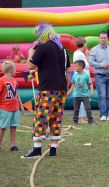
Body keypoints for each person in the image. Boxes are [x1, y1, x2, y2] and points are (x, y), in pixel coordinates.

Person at [22, 23, 70, 158]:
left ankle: (36, 149)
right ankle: (53, 149)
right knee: (56, 118)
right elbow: (68, 71)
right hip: (61, 90)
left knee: (41, 117)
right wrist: (65, 88)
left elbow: (30, 65)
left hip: (47, 89)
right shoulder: (63, 49)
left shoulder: (43, 47)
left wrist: (31, 52)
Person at [0, 61, 24, 153]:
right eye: (15, 69)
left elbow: (16, 94)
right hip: (5, 108)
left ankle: (13, 145)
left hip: (15, 108)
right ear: (11, 70)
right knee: (2, 127)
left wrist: (21, 105)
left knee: (13, 126)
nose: (16, 71)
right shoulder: (1, 80)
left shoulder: (14, 81)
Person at [90, 31, 109, 121]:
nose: (103, 39)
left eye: (105, 38)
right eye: (102, 38)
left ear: (107, 39)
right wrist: (102, 65)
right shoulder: (94, 49)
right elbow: (91, 62)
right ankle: (102, 115)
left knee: (108, 97)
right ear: (99, 38)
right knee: (102, 96)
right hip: (99, 75)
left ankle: (106, 114)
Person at [68, 60, 98, 125]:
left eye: (76, 66)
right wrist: (70, 91)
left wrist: (92, 91)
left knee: (88, 108)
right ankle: (75, 121)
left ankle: (90, 120)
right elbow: (73, 84)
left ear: (81, 67)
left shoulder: (86, 75)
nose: (74, 67)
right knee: (76, 109)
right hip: (76, 95)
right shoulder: (75, 75)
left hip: (85, 95)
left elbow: (90, 83)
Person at [73, 36, 92, 123]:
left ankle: (83, 116)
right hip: (82, 77)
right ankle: (81, 117)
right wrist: (88, 56)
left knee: (83, 96)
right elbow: (86, 65)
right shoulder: (80, 54)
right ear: (83, 43)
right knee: (82, 97)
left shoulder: (77, 53)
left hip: (82, 77)